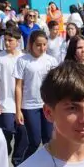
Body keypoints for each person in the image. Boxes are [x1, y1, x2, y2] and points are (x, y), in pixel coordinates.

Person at [15, 31, 60, 159]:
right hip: (29, 106)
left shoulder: (52, 61)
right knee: (34, 141)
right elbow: (18, 86)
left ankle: (49, 166)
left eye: (44, 44)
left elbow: (55, 84)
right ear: (31, 44)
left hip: (48, 104)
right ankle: (24, 164)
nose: (42, 48)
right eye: (38, 45)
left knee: (49, 140)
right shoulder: (23, 61)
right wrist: (18, 110)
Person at [0, 27, 28, 164]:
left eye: (10, 40)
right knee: (5, 133)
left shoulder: (24, 58)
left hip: (23, 105)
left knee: (23, 135)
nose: (7, 43)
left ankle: (17, 161)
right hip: (4, 104)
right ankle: (3, 154)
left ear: (17, 41)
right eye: (5, 40)